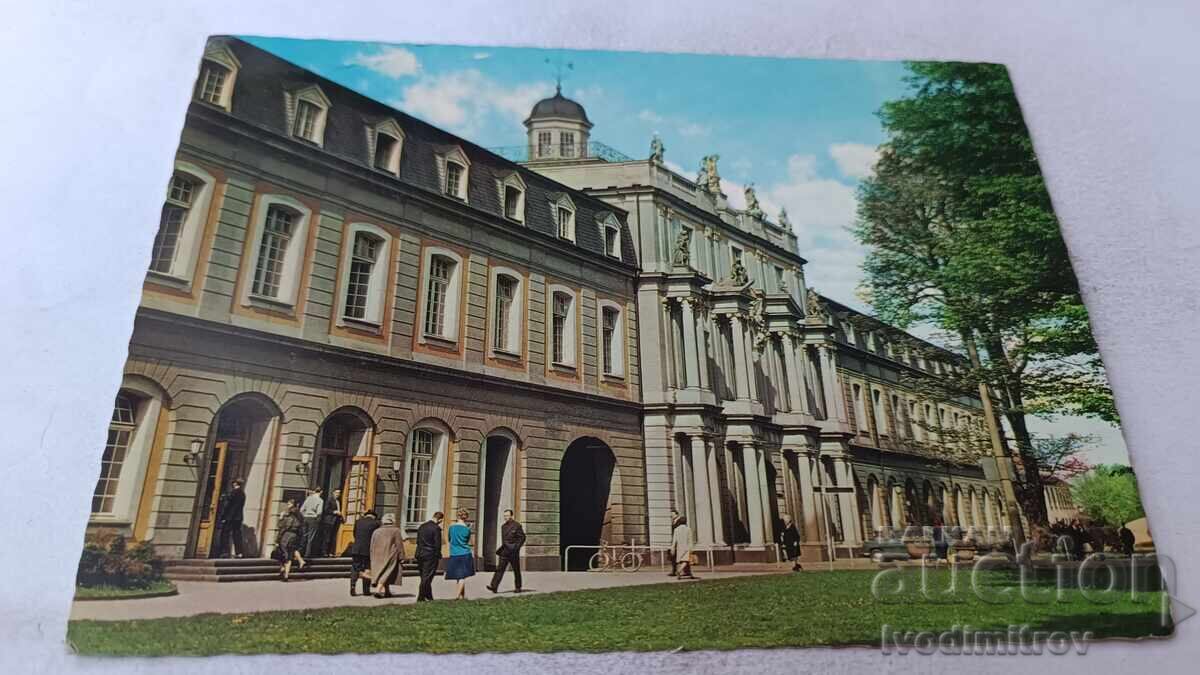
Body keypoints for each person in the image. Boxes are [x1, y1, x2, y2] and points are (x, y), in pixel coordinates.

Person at [487, 509, 526, 594]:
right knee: (499, 569)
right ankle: (494, 586)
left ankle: (518, 587)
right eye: (504, 516)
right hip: (504, 551)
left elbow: (522, 537)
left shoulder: (517, 526)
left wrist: (516, 547)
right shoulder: (503, 526)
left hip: (513, 552)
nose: (506, 517)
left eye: (507, 515)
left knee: (516, 570)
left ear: (511, 516)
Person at [369, 512, 405, 598]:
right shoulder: (396, 530)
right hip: (390, 554)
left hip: (376, 555)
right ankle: (378, 590)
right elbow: (399, 545)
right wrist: (402, 556)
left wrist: (371, 556)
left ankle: (387, 591)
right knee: (387, 572)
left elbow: (371, 545)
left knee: (383, 572)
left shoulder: (376, 531)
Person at [445, 508, 475, 600]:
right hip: (465, 553)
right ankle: (457, 596)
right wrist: (469, 529)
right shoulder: (467, 529)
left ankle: (462, 596)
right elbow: (469, 541)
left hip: (454, 553)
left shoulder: (451, 528)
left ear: (457, 516)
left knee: (459, 576)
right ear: (466, 517)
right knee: (462, 576)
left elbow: (449, 539)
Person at [274, 499, 307, 582]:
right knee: (289, 555)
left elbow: (282, 527)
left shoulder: (289, 516)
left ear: (292, 505)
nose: (287, 506)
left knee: (282, 554)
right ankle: (285, 574)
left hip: (287, 536)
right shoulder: (300, 516)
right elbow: (302, 528)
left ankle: (283, 570)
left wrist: (281, 518)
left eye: (288, 504)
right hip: (295, 536)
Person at [349, 509, 379, 597]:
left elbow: (354, 534)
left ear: (366, 515)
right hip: (368, 550)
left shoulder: (358, 522)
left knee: (355, 567)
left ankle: (353, 586)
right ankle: (366, 590)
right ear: (374, 516)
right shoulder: (376, 523)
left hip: (356, 549)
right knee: (367, 568)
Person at [415, 511, 444, 602]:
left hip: (420, 553)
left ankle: (429, 596)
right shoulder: (436, 528)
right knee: (427, 576)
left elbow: (418, 541)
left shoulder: (422, 526)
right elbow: (437, 544)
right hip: (430, 554)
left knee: (423, 575)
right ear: (440, 519)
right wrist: (438, 555)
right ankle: (420, 597)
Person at [215, 478, 246, 559]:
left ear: (235, 484)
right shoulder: (242, 493)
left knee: (225, 534)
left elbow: (227, 506)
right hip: (238, 517)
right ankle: (239, 553)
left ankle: (224, 552)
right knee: (237, 535)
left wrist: (223, 517)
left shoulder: (233, 493)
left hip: (229, 517)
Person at [300, 487, 325, 557]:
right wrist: (317, 518)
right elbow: (319, 512)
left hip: (306, 518)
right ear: (321, 492)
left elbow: (301, 510)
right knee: (311, 537)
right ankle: (307, 554)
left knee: (304, 535)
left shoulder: (308, 498)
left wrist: (305, 515)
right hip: (313, 518)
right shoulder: (320, 500)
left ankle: (301, 552)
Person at [320, 488, 344, 557]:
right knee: (327, 537)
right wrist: (334, 512)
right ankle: (324, 552)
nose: (338, 494)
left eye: (339, 493)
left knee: (333, 537)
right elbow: (326, 510)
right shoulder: (329, 500)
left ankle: (331, 552)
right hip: (329, 521)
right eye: (336, 493)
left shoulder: (339, 501)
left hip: (336, 521)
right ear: (333, 493)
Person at [671, 515, 695, 580]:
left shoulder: (676, 529)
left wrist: (673, 548)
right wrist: (691, 548)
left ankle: (689, 574)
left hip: (679, 548)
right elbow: (690, 539)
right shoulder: (688, 529)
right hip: (687, 547)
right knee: (686, 561)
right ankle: (679, 571)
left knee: (680, 561)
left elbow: (674, 540)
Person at [667, 509, 680, 577]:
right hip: (674, 540)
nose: (671, 516)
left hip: (678, 541)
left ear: (676, 514)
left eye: (673, 514)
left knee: (675, 556)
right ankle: (674, 570)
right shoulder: (674, 522)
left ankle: (676, 571)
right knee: (673, 556)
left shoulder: (679, 521)